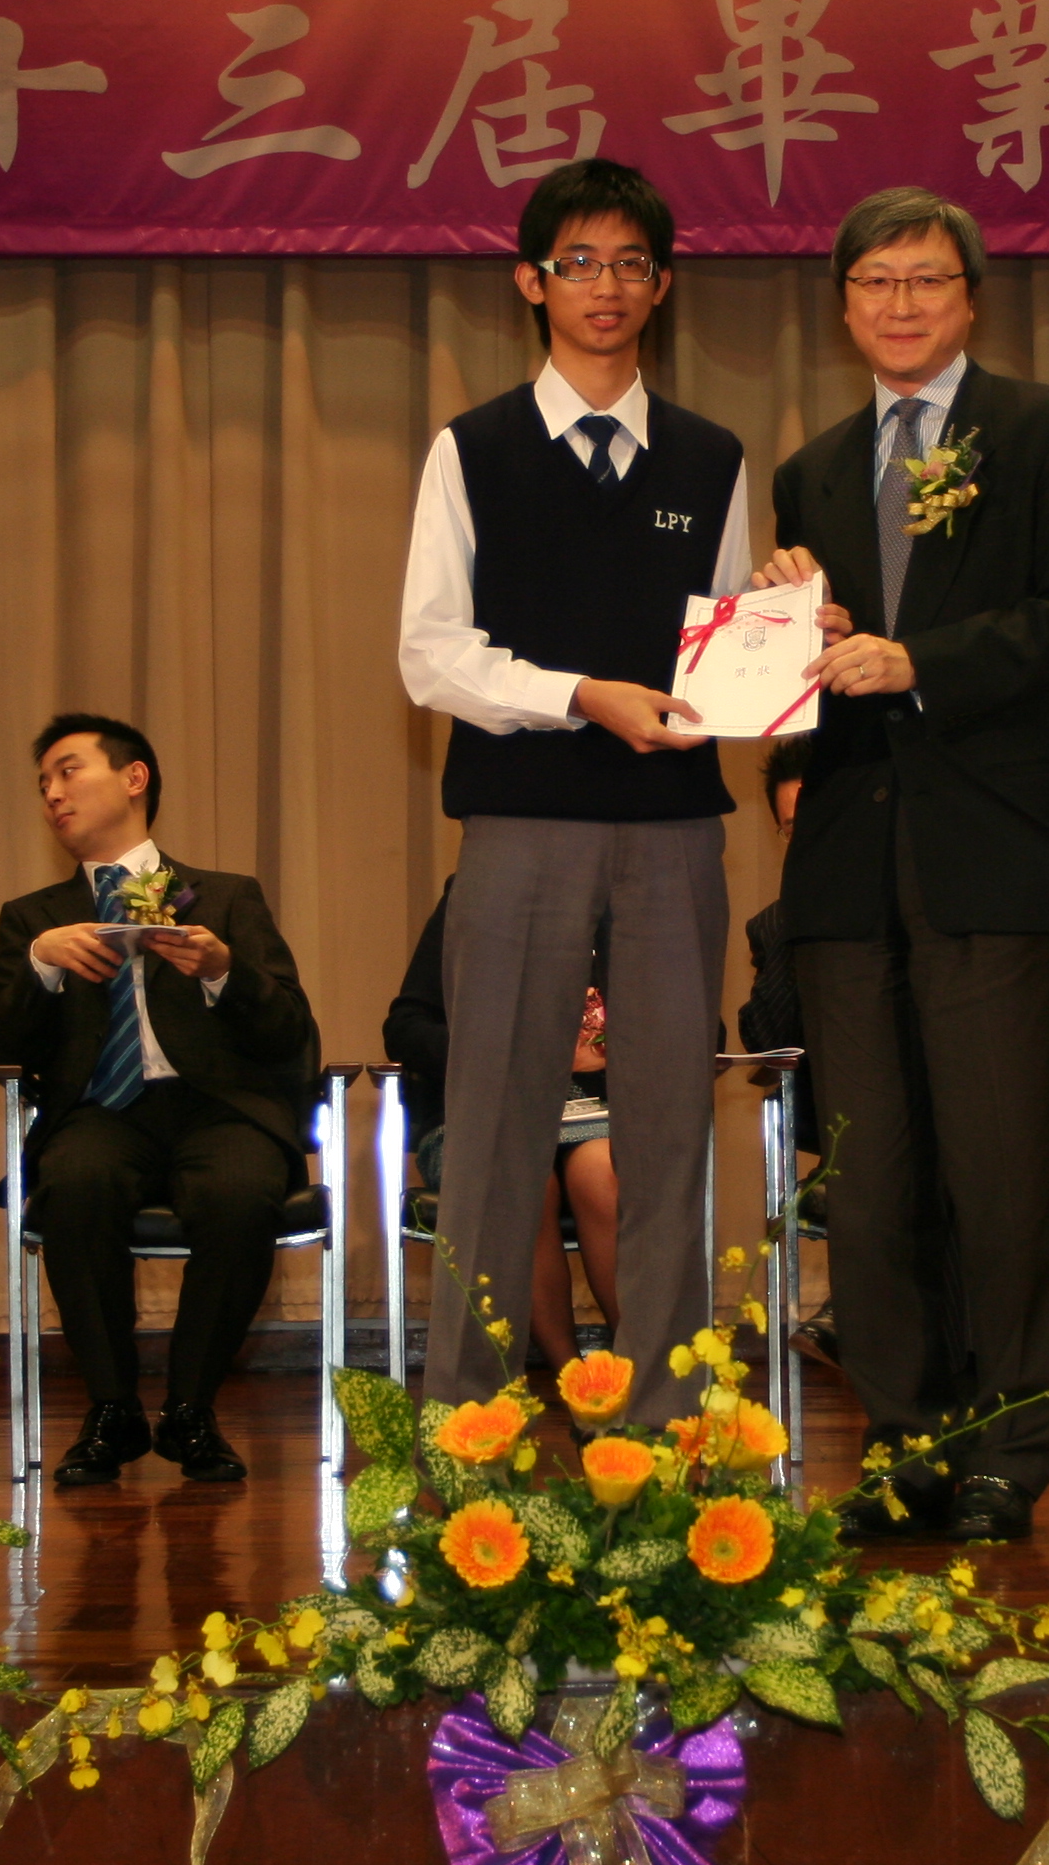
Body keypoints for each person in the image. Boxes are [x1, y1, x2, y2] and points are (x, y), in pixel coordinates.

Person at [754, 186, 1049, 1545]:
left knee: (999, 1173)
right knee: (869, 1186)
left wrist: (918, 660)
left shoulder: (1048, 431)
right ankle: (906, 1441)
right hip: (847, 869)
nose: (899, 304)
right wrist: (786, 646)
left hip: (993, 852)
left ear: (970, 297)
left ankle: (1006, 1454)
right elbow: (806, 683)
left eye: (924, 280)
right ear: (843, 306)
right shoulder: (810, 470)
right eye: (875, 283)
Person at [395, 157, 743, 1428]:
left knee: (666, 1130)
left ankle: (667, 1428)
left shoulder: (711, 457)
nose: (607, 286)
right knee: (495, 1124)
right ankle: (469, 1425)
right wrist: (581, 694)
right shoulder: (472, 448)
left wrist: (792, 622)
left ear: (663, 287)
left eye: (632, 264)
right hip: (522, 822)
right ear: (530, 281)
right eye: (580, 262)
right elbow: (430, 654)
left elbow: (729, 658)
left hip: (673, 833)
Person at [0, 715, 320, 1487]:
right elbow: (6, 1043)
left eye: (69, 771)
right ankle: (111, 1409)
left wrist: (222, 970)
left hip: (217, 1108)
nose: (53, 794)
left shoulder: (226, 897)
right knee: (74, 1184)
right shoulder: (33, 918)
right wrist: (41, 966)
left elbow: (289, 1030)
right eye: (43, 784)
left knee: (241, 1191)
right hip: (100, 1112)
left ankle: (191, 1409)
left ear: (133, 777)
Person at [736, 734, 1049, 1364]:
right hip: (869, 1140)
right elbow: (766, 1040)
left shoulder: (940, 901)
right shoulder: (778, 925)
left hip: (973, 1130)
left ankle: (870, 1321)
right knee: (910, 1169)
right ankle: (929, 1357)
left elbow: (1028, 991)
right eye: (794, 830)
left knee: (956, 1155)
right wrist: (804, 917)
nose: (814, 839)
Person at [383, 881, 622, 1373]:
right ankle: (574, 1381)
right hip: (487, 1112)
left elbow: (702, 1029)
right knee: (519, 1183)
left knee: (603, 1174)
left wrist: (614, 1048)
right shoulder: (472, 893)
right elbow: (405, 1028)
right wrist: (507, 1051)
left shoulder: (630, 896)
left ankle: (648, 1372)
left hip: (599, 1109)